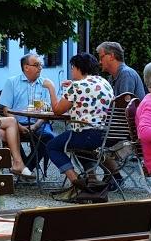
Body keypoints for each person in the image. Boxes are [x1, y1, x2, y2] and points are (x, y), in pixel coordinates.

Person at [47, 52, 113, 199]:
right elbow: (89, 96)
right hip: (104, 135)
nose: (71, 71)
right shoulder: (104, 82)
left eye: (72, 68)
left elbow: (57, 110)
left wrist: (51, 88)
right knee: (80, 146)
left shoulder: (76, 86)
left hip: (86, 134)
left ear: (78, 68)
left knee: (52, 146)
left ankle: (76, 181)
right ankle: (92, 180)